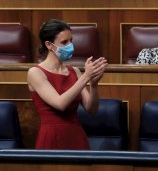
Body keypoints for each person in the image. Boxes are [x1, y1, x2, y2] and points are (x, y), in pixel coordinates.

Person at [27, 19, 108, 150]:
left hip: (76, 136)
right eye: (64, 42)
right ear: (49, 45)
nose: (70, 45)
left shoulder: (74, 71)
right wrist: (86, 76)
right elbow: (60, 104)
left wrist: (93, 85)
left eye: (71, 40)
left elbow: (92, 109)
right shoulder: (36, 73)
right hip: (52, 137)